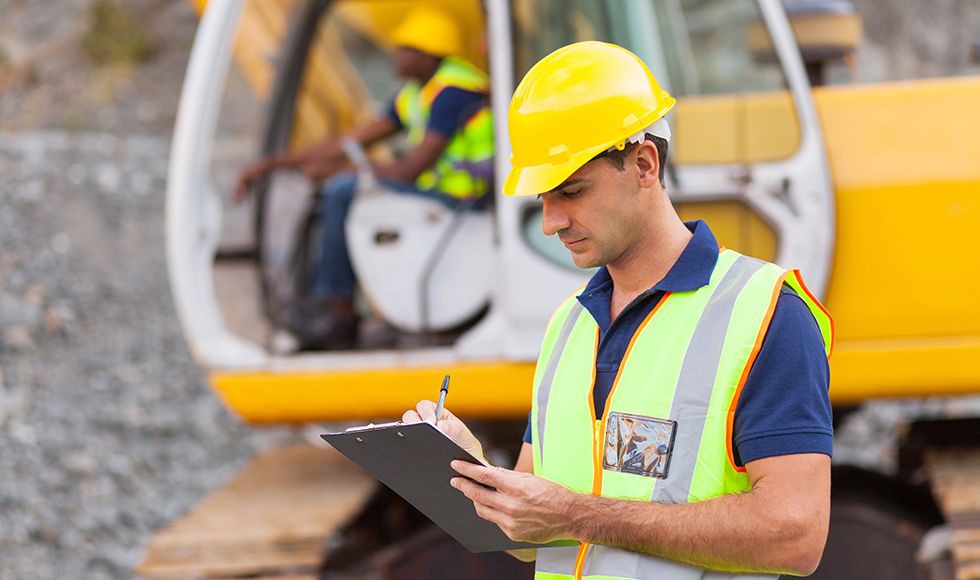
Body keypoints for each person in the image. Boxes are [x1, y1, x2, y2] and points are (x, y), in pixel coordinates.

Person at [403, 41, 834, 578]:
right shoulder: (569, 325)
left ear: (644, 163)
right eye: (542, 198)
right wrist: (477, 471)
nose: (551, 221)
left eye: (573, 191)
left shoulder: (766, 312)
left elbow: (795, 536)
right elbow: (532, 537)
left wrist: (579, 516)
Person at [234, 6, 493, 349]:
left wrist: (337, 171)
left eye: (405, 49)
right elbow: (352, 140)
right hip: (443, 194)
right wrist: (274, 162)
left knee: (343, 190)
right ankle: (341, 302)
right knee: (339, 190)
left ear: (429, 55)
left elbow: (409, 169)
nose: (395, 55)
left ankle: (339, 311)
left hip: (468, 202)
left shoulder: (453, 93)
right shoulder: (418, 92)